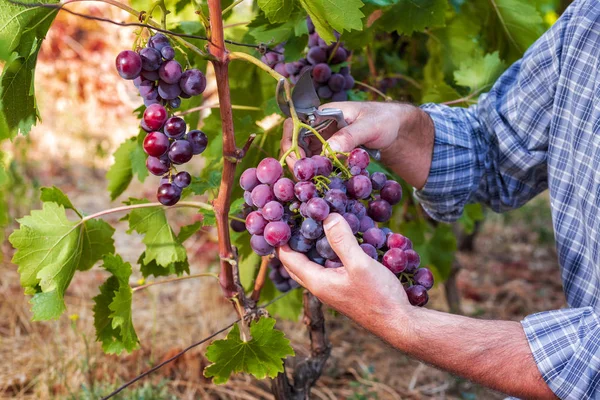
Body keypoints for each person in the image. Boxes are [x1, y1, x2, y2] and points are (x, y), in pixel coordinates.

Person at [278, 1, 600, 399]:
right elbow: (496, 150)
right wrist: (399, 128)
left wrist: (404, 324)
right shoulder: (589, 22)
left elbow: (592, 368)